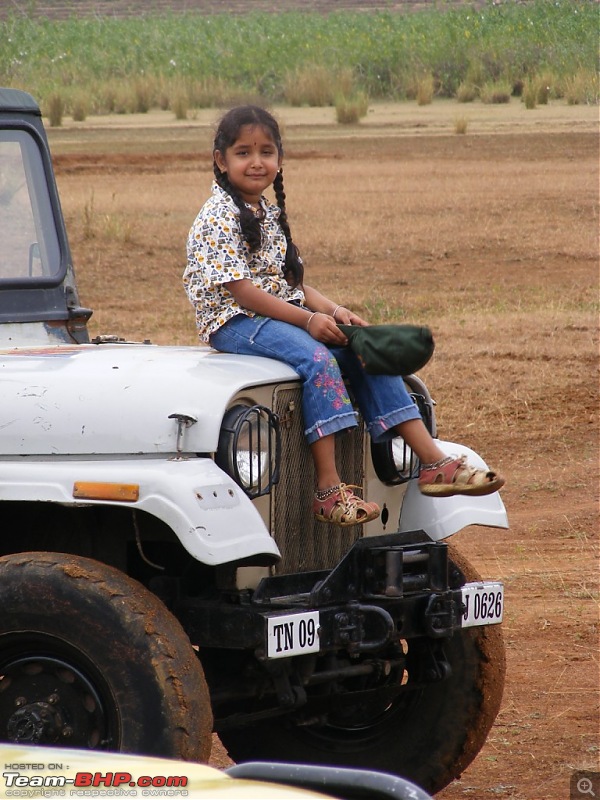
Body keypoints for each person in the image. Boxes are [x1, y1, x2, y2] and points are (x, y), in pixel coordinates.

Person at [184, 105, 504, 527]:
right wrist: (306, 322)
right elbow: (243, 292)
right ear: (221, 160)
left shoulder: (268, 213)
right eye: (243, 152)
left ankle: (432, 462)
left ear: (280, 158)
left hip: (277, 313)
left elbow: (292, 286)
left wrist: (334, 311)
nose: (257, 162)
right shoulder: (216, 216)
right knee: (317, 359)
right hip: (234, 321)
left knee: (367, 350)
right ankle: (328, 489)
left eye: (266, 151)